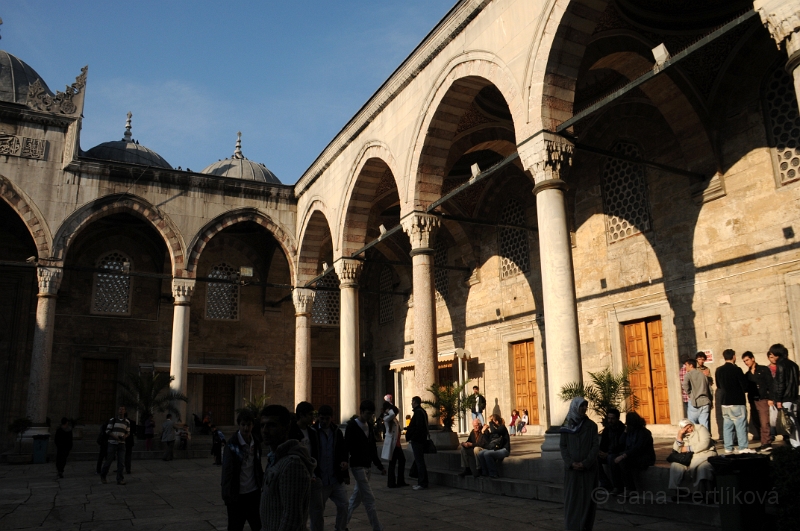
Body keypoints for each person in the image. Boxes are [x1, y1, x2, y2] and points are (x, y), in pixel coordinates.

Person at [260, 404, 316, 531]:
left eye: (271, 425)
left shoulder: (292, 464)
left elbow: (292, 518)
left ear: (286, 428)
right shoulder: (275, 458)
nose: (265, 430)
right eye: (262, 425)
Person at [345, 400, 387, 531]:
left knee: (356, 499)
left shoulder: (369, 425)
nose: (369, 416)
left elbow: (372, 448)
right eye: (367, 413)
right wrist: (345, 470)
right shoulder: (352, 426)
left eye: (371, 414)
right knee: (369, 499)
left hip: (367, 465)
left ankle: (341, 524)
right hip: (357, 466)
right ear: (361, 412)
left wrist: (379, 465)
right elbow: (346, 447)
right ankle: (377, 527)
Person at [559, 397, 599, 531]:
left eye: (585, 406)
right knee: (573, 500)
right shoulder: (566, 426)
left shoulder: (591, 426)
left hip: (588, 470)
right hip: (572, 471)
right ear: (575, 407)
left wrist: (586, 463)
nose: (583, 409)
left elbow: (595, 446)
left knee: (588, 501)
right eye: (581, 406)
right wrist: (571, 463)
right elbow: (563, 446)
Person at [221, 410, 263, 531]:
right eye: (243, 424)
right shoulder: (232, 445)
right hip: (237, 495)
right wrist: (227, 495)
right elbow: (227, 472)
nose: (246, 428)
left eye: (248, 425)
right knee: (235, 526)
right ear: (239, 425)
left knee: (258, 525)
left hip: (253, 492)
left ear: (252, 425)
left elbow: (257, 465)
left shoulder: (256, 442)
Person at [311, 404, 349, 531]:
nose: (324, 422)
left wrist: (344, 462)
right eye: (322, 419)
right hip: (320, 479)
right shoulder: (313, 432)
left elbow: (342, 450)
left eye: (327, 419)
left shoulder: (336, 432)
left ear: (331, 418)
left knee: (344, 505)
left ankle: (340, 528)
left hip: (335, 478)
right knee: (317, 511)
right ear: (318, 418)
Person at [715, 349, 753, 454]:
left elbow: (718, 385)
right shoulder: (737, 370)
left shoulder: (718, 370)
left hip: (724, 402)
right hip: (737, 401)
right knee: (740, 424)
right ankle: (743, 447)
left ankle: (728, 447)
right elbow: (744, 385)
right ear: (734, 356)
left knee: (727, 426)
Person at [608, 412, 655, 495]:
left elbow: (637, 448)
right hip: (631, 456)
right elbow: (621, 443)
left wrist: (623, 456)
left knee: (623, 462)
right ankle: (618, 487)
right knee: (612, 458)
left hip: (643, 457)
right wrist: (625, 433)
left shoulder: (643, 433)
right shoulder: (629, 432)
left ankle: (631, 488)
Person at [668, 419, 717, 498]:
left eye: (690, 426)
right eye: (686, 429)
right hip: (688, 458)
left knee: (703, 468)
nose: (689, 429)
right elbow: (676, 449)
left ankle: (705, 493)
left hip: (704, 455)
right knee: (675, 466)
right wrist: (679, 436)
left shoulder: (701, 428)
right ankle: (679, 491)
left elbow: (705, 443)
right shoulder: (683, 434)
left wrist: (688, 448)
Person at [742, 351, 774, 452]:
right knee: (757, 422)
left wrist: (770, 398)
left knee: (765, 422)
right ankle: (763, 442)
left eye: (747, 360)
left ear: (753, 359)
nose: (746, 362)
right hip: (753, 400)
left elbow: (770, 384)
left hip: (763, 399)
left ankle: (767, 442)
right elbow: (746, 388)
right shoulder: (747, 374)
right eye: (744, 361)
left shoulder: (764, 369)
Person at [770, 343, 800, 447]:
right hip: (794, 397)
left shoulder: (781, 365)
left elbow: (781, 383)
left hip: (786, 398)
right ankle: (796, 444)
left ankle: (795, 445)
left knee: (788, 423)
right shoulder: (794, 365)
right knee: (794, 422)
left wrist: (778, 400)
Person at [100, 405, 131, 485]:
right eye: (120, 409)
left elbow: (128, 432)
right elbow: (108, 431)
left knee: (121, 462)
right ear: (118, 411)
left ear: (125, 411)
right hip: (112, 443)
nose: (121, 410)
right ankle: (103, 475)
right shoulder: (113, 420)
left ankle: (120, 479)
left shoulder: (127, 422)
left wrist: (124, 437)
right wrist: (116, 437)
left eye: (123, 409)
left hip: (121, 444)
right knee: (109, 461)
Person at [596, 408, 625, 490]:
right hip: (607, 453)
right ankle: (605, 483)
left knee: (611, 458)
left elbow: (622, 446)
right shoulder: (607, 430)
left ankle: (617, 486)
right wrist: (601, 452)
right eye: (609, 418)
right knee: (594, 459)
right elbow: (603, 444)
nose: (610, 421)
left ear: (617, 419)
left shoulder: (622, 429)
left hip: (618, 454)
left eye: (612, 419)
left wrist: (608, 454)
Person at [381, 400, 406, 488]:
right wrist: (388, 410)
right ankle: (392, 482)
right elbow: (391, 414)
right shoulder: (386, 417)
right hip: (392, 443)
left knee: (401, 461)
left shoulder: (393, 418)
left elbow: (396, 411)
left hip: (396, 443)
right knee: (393, 463)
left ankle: (400, 480)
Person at [406, 395, 429, 490]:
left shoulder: (418, 413)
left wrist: (413, 437)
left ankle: (422, 483)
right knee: (419, 461)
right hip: (420, 440)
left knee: (420, 462)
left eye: (412, 402)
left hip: (418, 441)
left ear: (415, 402)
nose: (411, 403)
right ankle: (421, 481)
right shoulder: (421, 412)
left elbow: (418, 428)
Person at [682, 358, 712, 432]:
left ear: (691, 365)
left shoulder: (688, 375)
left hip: (694, 402)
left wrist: (690, 394)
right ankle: (705, 440)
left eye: (686, 365)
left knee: (693, 424)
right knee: (704, 424)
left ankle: (696, 441)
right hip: (705, 401)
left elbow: (685, 385)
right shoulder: (703, 375)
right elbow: (710, 389)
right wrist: (710, 400)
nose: (685, 367)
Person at [477, 414, 511, 479]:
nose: (490, 424)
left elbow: (493, 431)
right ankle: (485, 472)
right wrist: (483, 432)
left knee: (487, 454)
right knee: (481, 453)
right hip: (496, 448)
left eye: (492, 422)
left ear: (496, 422)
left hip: (504, 450)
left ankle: (493, 473)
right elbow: (489, 441)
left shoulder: (502, 428)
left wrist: (490, 422)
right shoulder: (495, 430)